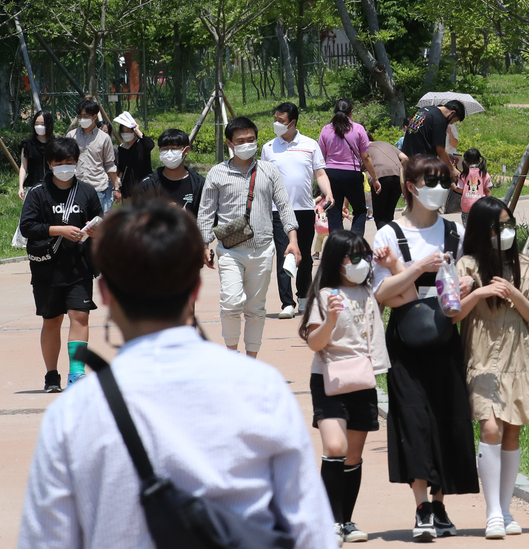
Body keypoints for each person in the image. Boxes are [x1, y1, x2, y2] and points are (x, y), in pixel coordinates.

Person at [19, 199, 334, 548]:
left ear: (105, 294)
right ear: (195, 289)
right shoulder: (262, 389)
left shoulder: (73, 415)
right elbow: (312, 534)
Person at [372, 153, 478, 541]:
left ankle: (440, 504)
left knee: (449, 417)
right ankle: (421, 507)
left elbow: (465, 277)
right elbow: (380, 294)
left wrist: (464, 284)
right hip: (406, 341)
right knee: (414, 420)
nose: (438, 188)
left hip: (446, 334)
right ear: (411, 187)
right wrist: (418, 269)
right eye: (429, 181)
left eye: (443, 180)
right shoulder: (388, 234)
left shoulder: (455, 233)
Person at [453, 197, 529, 538]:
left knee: (512, 430)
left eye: (509, 225)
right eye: (498, 226)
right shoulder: (466, 266)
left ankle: (507, 509)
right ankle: (493, 511)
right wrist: (478, 293)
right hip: (480, 359)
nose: (505, 232)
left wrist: (514, 293)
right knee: (490, 429)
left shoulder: (526, 266)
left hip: (517, 359)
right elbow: (453, 315)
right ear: (482, 231)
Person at [302, 229, 389, 544]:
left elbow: (391, 279)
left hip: (362, 379)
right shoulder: (325, 294)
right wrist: (330, 321)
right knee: (335, 448)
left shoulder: (368, 291)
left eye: (364, 256)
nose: (361, 263)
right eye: (354, 257)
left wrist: (383, 261)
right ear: (337, 261)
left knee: (353, 456)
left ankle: (345, 521)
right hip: (328, 377)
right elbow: (314, 342)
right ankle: (328, 521)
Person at [197, 117, 302, 358]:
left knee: (256, 309)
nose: (247, 144)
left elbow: (284, 206)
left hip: (263, 250)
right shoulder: (217, 172)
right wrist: (204, 244)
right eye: (240, 141)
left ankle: (251, 360)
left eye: (251, 140)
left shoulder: (269, 170)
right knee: (231, 303)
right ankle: (232, 356)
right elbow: (206, 212)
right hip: (230, 250)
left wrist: (293, 240)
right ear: (229, 143)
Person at [20, 138, 104, 392]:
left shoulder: (86, 191)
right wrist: (59, 230)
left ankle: (76, 373)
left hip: (79, 265)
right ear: (49, 164)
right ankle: (51, 375)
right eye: (59, 163)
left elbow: (99, 222)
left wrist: (95, 231)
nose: (65, 167)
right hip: (46, 267)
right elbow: (28, 227)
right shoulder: (37, 192)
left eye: (70, 162)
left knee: (80, 316)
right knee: (52, 320)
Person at [266, 101, 335, 319]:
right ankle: (287, 302)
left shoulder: (310, 144)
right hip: (278, 211)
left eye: (281, 121)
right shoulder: (268, 148)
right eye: (275, 119)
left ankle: (304, 298)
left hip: (304, 209)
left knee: (304, 256)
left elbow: (320, 173)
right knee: (283, 254)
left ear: (293, 122)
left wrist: (328, 193)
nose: (276, 123)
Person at [320, 98, 381, 239]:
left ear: (335, 111)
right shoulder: (358, 129)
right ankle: (354, 243)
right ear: (351, 112)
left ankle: (338, 247)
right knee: (359, 210)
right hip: (352, 174)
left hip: (331, 174)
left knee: (334, 211)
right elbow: (366, 157)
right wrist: (375, 179)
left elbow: (321, 156)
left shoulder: (326, 130)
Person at [135, 129, 206, 221]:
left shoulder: (199, 183)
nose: (169, 153)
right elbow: (138, 217)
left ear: (186, 150)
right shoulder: (148, 184)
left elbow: (208, 218)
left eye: (174, 148)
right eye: (165, 149)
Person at [66, 100, 120, 212]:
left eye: (86, 116)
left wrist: (116, 188)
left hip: (97, 187)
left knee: (95, 224)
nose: (82, 119)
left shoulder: (104, 138)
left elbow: (110, 165)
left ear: (94, 116)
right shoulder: (71, 136)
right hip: (75, 187)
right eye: (80, 116)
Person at [402, 99, 467, 179]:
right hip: (422, 164)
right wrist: (452, 169)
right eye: (454, 120)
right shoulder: (440, 119)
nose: (451, 123)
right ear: (452, 113)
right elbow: (440, 150)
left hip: (407, 159)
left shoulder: (423, 110)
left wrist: (447, 157)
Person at [112, 113, 154, 203]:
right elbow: (120, 170)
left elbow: (150, 145)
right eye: (123, 131)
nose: (126, 134)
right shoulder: (121, 148)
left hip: (143, 186)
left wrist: (138, 131)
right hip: (128, 188)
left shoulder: (142, 144)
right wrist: (118, 187)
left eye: (129, 131)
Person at [17, 110, 54, 197]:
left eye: (42, 124)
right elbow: (23, 167)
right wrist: (20, 187)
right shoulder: (27, 144)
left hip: (52, 185)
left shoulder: (55, 143)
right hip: (32, 185)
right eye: (37, 123)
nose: (39, 126)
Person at [368, 139, 404, 227]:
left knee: (380, 216)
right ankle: (391, 237)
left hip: (379, 177)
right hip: (397, 177)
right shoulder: (387, 144)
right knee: (389, 213)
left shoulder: (362, 148)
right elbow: (405, 158)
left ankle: (384, 239)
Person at [457, 149, 492, 215]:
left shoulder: (464, 174)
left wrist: (453, 187)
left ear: (466, 162)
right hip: (480, 207)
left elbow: (460, 190)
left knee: (467, 225)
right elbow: (488, 190)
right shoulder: (484, 174)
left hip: (466, 207)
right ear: (479, 161)